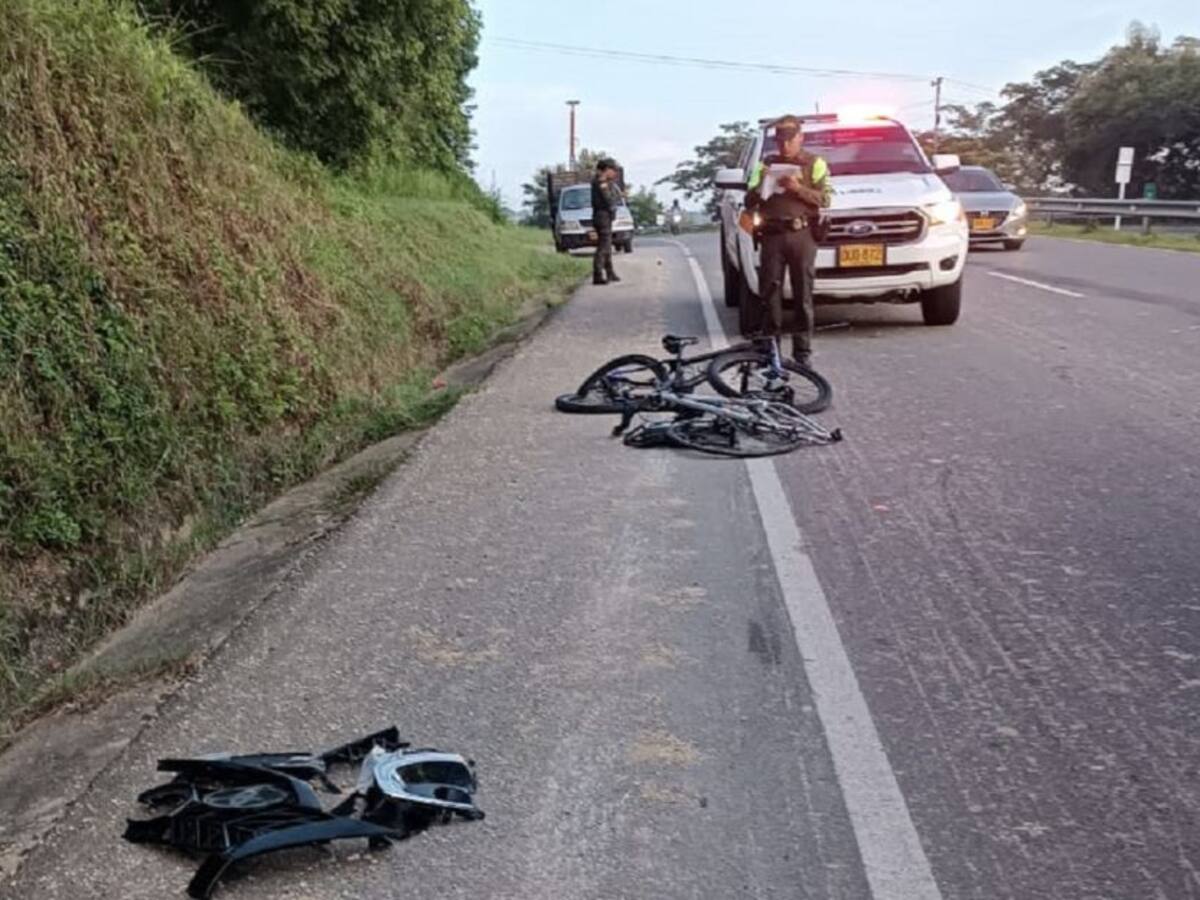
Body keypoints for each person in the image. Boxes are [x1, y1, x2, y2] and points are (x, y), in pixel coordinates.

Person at [744, 115, 832, 368]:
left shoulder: (814, 163)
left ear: (800, 138)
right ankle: (770, 349)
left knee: (803, 294)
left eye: (789, 141)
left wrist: (797, 188)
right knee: (769, 294)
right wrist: (762, 186)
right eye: (780, 141)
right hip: (772, 235)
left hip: (801, 234)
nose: (784, 146)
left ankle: (802, 352)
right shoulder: (766, 164)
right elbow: (749, 200)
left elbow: (825, 199)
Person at [590, 158, 623, 285]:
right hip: (602, 215)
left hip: (602, 215)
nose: (614, 173)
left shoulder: (605, 182)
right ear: (606, 170)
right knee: (603, 246)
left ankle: (610, 272)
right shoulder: (601, 182)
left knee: (607, 246)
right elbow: (608, 199)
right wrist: (616, 201)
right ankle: (597, 274)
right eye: (612, 170)